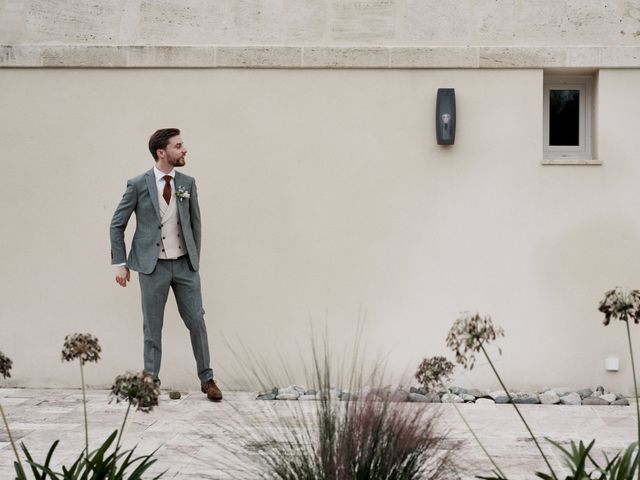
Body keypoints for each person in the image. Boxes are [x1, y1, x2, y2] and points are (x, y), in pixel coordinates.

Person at [109, 128, 222, 402]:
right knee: (152, 326)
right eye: (179, 146)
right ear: (162, 152)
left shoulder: (187, 182)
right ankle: (150, 384)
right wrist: (120, 263)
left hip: (185, 265)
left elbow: (196, 224)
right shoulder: (137, 184)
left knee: (197, 321)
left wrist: (194, 259)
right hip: (152, 266)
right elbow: (117, 224)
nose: (184, 150)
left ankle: (207, 379)